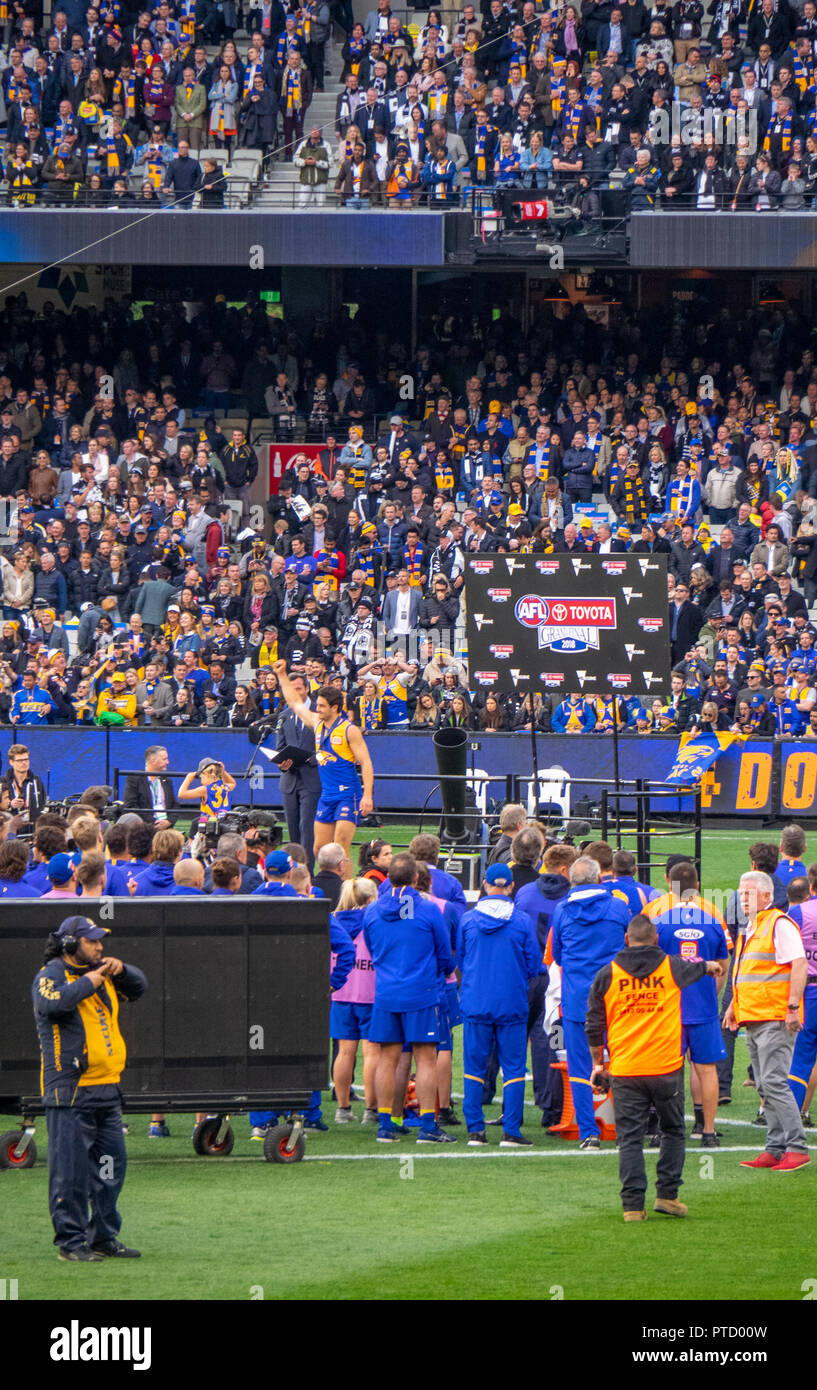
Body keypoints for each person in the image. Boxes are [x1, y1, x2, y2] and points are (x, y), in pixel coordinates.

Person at [586, 913, 725, 1221]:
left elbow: (594, 1027)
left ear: (626, 939)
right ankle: (668, 1195)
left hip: (625, 1070)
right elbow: (699, 967)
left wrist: (599, 1064)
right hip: (665, 1067)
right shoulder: (670, 966)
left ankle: (633, 1206)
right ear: (656, 939)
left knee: (630, 1138)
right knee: (674, 1130)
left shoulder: (607, 974)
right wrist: (710, 966)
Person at [32, 915, 147, 1260]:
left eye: (100, 941)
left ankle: (103, 1238)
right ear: (70, 945)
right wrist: (92, 980)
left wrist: (121, 969)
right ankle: (70, 1244)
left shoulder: (104, 973)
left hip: (107, 1091)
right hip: (70, 1092)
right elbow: (51, 1003)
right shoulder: (49, 975)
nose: (99, 946)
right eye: (91, 941)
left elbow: (139, 988)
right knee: (70, 1173)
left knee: (112, 1166)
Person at [363, 852, 456, 1143]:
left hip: (387, 993)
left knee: (387, 1059)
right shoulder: (428, 910)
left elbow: (371, 946)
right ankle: (428, 1125)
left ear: (388, 877)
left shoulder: (373, 910)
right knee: (425, 1058)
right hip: (421, 993)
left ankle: (387, 1124)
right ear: (416, 879)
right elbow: (445, 954)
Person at [724, 870, 810, 1171]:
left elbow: (799, 965)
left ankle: (796, 1147)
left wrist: (791, 1007)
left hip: (774, 1015)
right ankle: (775, 1148)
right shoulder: (754, 926)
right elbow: (745, 974)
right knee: (764, 1084)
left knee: (773, 1082)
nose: (742, 899)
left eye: (748, 894)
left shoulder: (778, 924)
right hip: (756, 1016)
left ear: (766, 896)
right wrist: (734, 1005)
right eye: (740, 894)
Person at [456, 861, 545, 1146]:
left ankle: (475, 1129)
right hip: (511, 1001)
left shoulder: (468, 920)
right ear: (511, 886)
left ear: (484, 885)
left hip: (476, 1001)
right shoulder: (520, 921)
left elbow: (461, 961)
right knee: (514, 1067)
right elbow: (534, 965)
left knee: (473, 1066)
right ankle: (511, 1130)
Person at [647, 861, 731, 1146]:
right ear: (697, 885)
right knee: (706, 1069)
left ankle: (664, 1131)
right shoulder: (712, 919)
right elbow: (722, 964)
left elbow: (649, 964)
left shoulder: (658, 920)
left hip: (669, 1008)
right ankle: (707, 1132)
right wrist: (713, 991)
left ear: (670, 884)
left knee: (667, 1070)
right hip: (703, 1007)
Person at [550, 856, 631, 1148]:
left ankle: (588, 1132)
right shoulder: (619, 907)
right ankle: (628, 1128)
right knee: (624, 1063)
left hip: (578, 1000)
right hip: (615, 997)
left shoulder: (561, 911)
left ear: (571, 880)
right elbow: (629, 946)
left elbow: (557, 955)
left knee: (579, 1067)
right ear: (599, 879)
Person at [273, 660, 374, 855]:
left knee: (339, 849)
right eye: (317, 705)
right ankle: (326, 884)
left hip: (347, 793)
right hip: (326, 795)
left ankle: (345, 886)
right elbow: (295, 703)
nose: (316, 708)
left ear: (335, 707)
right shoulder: (317, 722)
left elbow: (366, 762)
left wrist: (368, 795)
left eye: (321, 706)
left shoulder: (349, 730)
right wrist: (282, 676)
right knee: (319, 848)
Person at [330, 876, 380, 1124]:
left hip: (340, 992)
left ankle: (343, 1108)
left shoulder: (334, 919)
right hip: (370, 993)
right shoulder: (374, 921)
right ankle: (371, 1110)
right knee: (372, 1053)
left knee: (344, 1052)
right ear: (371, 899)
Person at [275, 671, 321, 870]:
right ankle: (292, 871)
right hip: (289, 779)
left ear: (307, 689)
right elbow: (280, 746)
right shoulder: (285, 715)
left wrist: (309, 758)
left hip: (311, 778)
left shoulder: (319, 713)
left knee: (307, 830)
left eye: (299, 689)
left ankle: (307, 873)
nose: (295, 693)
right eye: (291, 689)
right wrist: (279, 761)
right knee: (292, 829)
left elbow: (325, 748)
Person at [122, 745, 179, 827]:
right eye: (164, 759)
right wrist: (155, 823)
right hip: (143, 828)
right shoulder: (134, 779)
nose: (167, 762)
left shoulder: (167, 780)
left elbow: (175, 806)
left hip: (165, 827)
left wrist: (168, 822)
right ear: (153, 760)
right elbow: (131, 806)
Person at [177, 757, 237, 828]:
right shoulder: (226, 787)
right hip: (224, 823)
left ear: (205, 775)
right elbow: (233, 783)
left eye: (201, 777)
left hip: (209, 825)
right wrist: (223, 772)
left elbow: (181, 794)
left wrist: (188, 778)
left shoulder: (204, 790)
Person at [0, 744, 46, 821]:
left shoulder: (36, 781)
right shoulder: (2, 782)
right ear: (11, 762)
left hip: (32, 828)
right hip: (10, 828)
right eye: (19, 760)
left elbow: (42, 803)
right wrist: (10, 805)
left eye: (26, 759)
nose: (24, 763)